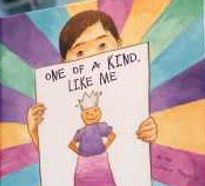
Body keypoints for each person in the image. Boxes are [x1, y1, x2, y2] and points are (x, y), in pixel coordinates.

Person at [25, 10, 159, 152]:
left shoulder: (132, 90)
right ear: (65, 63)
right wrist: (35, 132)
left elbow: (133, 139)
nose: (93, 57)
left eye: (102, 45)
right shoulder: (60, 103)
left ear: (118, 45)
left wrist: (148, 133)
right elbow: (57, 153)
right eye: (80, 52)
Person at [69, 91, 118, 186]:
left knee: (102, 173)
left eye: (95, 111)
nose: (91, 114)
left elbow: (113, 135)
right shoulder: (82, 131)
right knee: (84, 175)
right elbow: (71, 144)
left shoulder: (101, 127)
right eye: (87, 113)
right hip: (85, 160)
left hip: (100, 157)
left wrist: (106, 146)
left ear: (99, 112)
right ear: (82, 116)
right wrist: (81, 153)